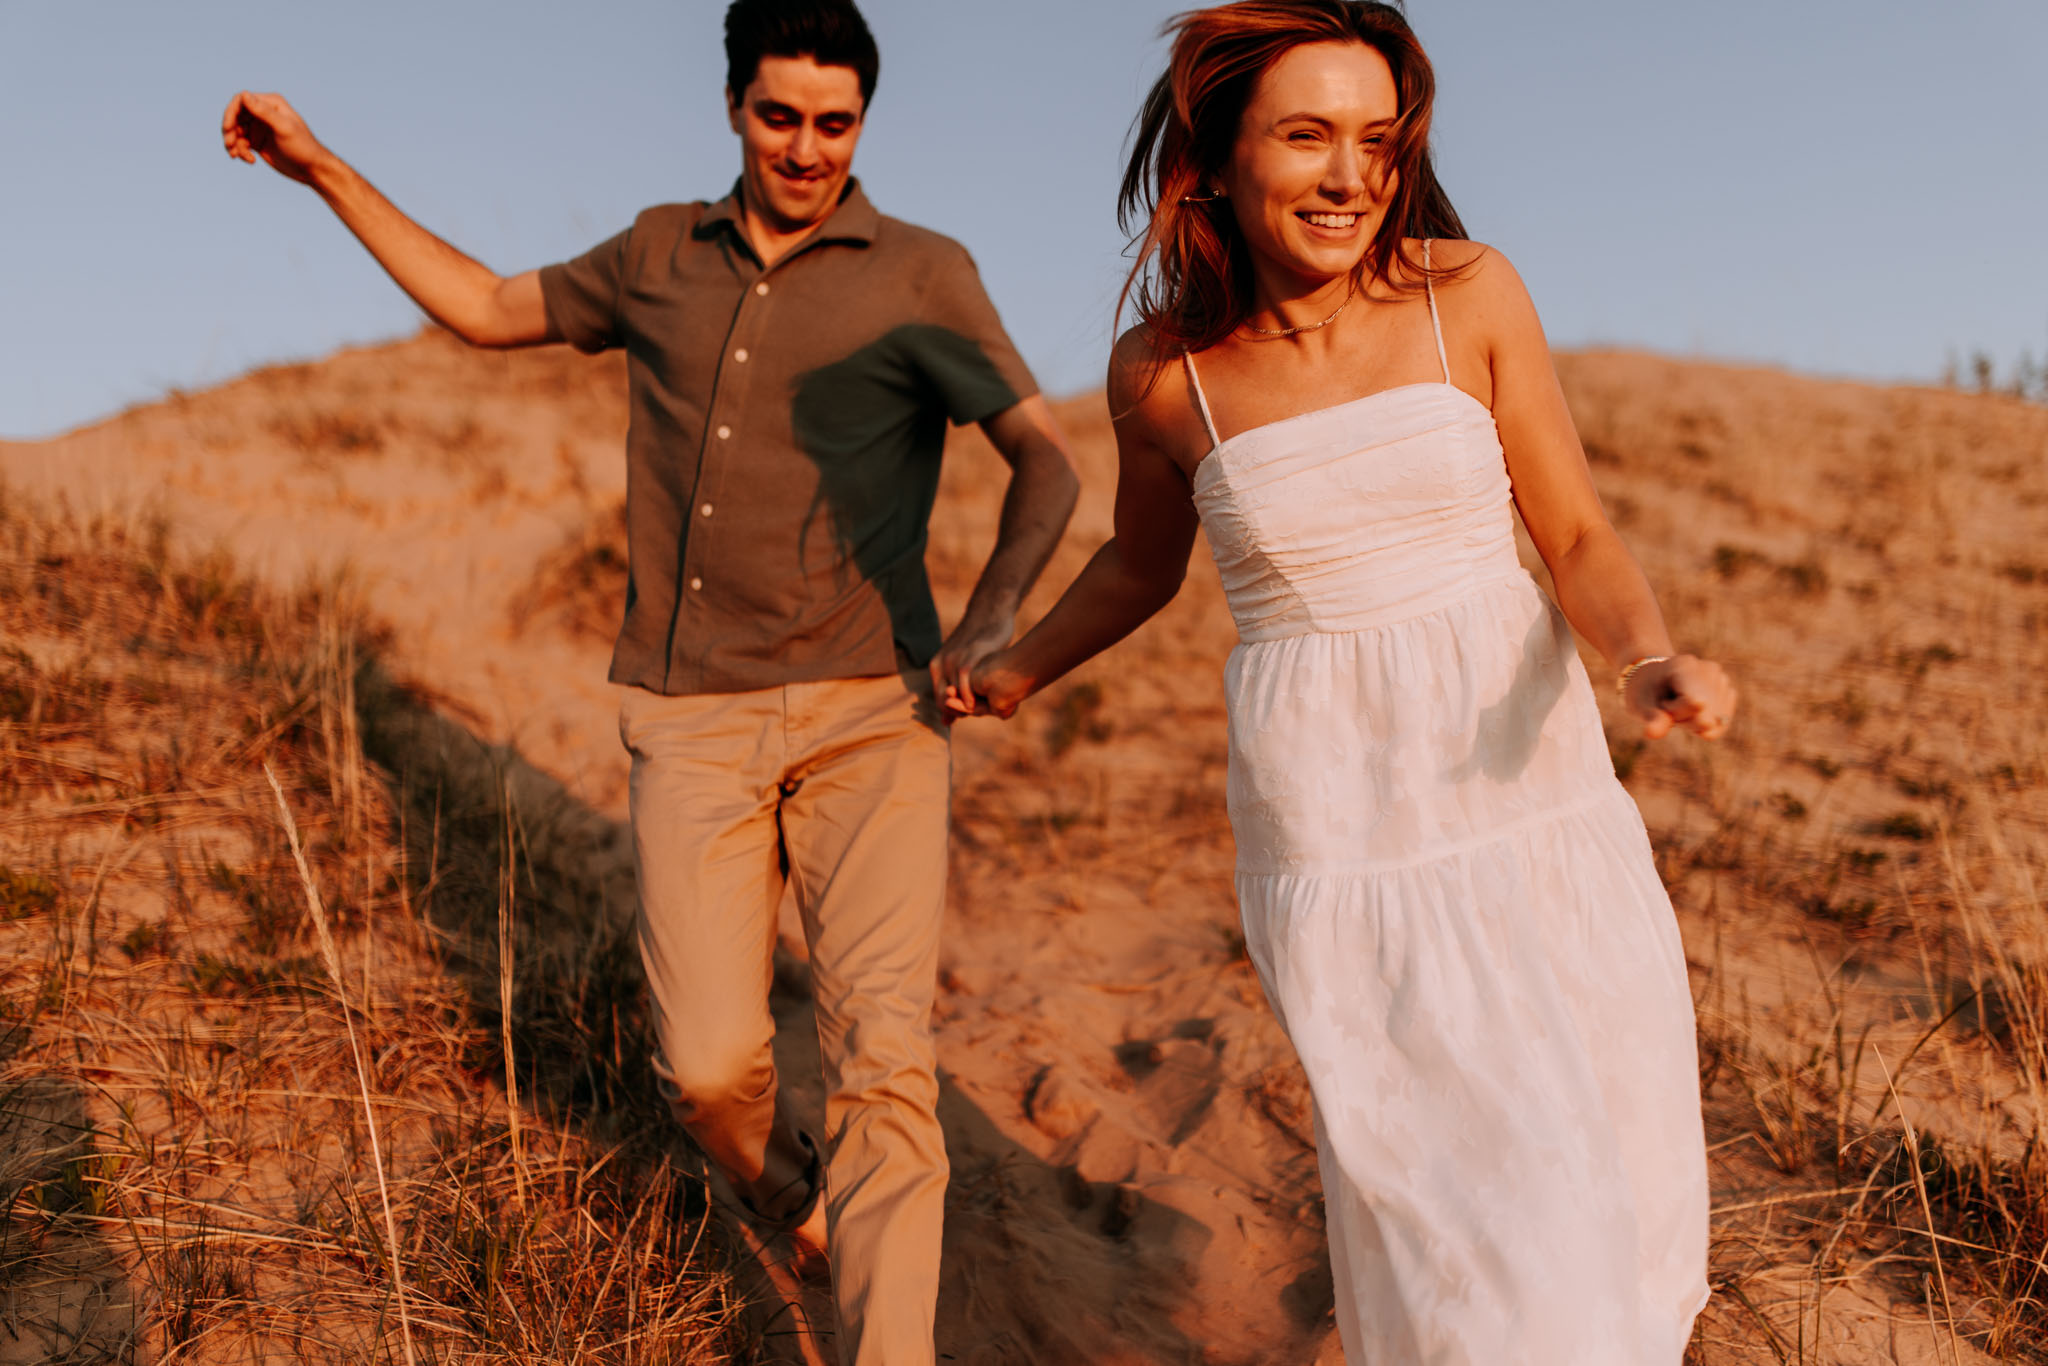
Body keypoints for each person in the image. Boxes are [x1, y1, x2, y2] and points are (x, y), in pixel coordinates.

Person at [221, 2, 1078, 1361]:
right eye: (780, 116)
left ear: (864, 122)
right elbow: (484, 309)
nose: (807, 148)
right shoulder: (657, 253)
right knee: (706, 1070)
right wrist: (322, 169)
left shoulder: (923, 272)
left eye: (836, 123)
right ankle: (795, 1201)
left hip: (874, 714)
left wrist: (990, 620)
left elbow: (1046, 458)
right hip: (692, 720)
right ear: (736, 106)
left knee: (883, 1066)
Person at [953, 2, 1734, 1361]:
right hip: (1345, 832)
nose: (1350, 175)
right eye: (1308, 135)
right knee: (1452, 1203)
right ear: (1217, 160)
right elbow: (1139, 567)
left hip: (1529, 801)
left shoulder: (1465, 294)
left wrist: (1648, 658)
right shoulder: (1165, 374)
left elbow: (1576, 534)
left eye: (1378, 139)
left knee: (1603, 1176)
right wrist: (1016, 670)